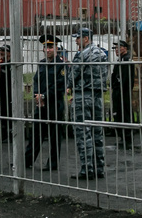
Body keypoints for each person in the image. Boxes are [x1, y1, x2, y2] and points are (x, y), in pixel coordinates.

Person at [67, 28, 108, 180]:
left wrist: (72, 88)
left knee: (83, 134)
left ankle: (87, 169)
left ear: (86, 39)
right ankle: (100, 168)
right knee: (97, 133)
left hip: (82, 96)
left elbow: (73, 76)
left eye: (78, 38)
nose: (76, 41)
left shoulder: (82, 55)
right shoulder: (102, 54)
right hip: (97, 97)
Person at [24, 35, 66, 171]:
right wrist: (37, 95)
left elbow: (60, 85)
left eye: (50, 47)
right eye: (45, 47)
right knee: (36, 133)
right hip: (41, 104)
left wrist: (45, 96)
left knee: (54, 135)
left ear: (56, 48)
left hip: (54, 104)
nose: (47, 50)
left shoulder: (61, 65)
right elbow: (36, 80)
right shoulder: (42, 63)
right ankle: (27, 160)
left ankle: (52, 164)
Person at [110, 39, 135, 148]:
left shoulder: (126, 60)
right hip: (118, 91)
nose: (116, 50)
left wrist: (117, 86)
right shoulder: (121, 60)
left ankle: (127, 137)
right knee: (118, 113)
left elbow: (124, 79)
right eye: (115, 48)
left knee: (124, 113)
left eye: (118, 47)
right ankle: (122, 136)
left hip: (123, 92)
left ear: (124, 48)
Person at [0, 44, 12, 144]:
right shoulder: (2, 62)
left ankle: (9, 134)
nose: (1, 53)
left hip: (10, 92)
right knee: (4, 112)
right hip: (2, 91)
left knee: (9, 112)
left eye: (4, 51)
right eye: (1, 51)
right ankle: (4, 134)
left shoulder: (10, 63)